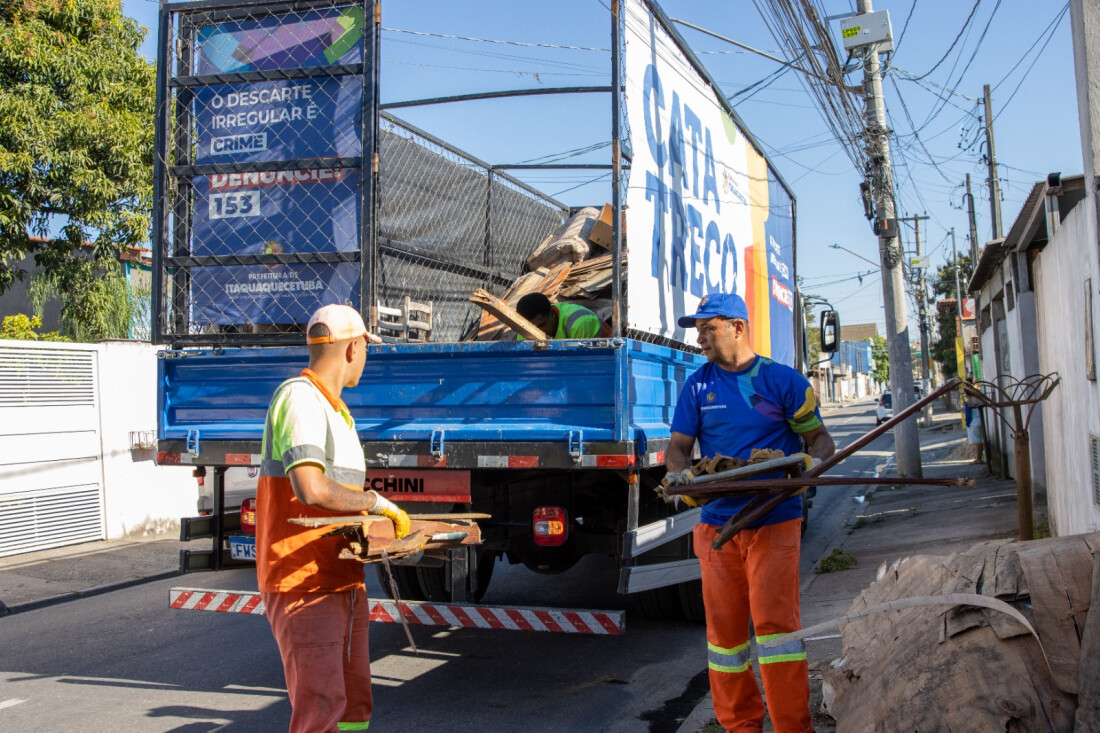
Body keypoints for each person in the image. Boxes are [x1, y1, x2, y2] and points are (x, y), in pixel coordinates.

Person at [665, 292, 835, 733]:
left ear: (737, 327)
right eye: (698, 330)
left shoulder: (783, 381)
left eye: (708, 328)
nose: (700, 337)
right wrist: (683, 478)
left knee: (778, 632)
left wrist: (809, 466)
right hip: (717, 527)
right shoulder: (697, 386)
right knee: (724, 640)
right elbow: (678, 448)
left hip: (773, 521)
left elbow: (820, 441)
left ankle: (792, 727)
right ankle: (740, 727)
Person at [256, 303, 416, 732]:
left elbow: (337, 502)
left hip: (340, 577)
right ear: (352, 348)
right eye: (366, 348)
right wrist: (376, 503)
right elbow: (311, 488)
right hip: (303, 580)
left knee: (353, 707)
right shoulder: (300, 398)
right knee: (320, 708)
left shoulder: (337, 412)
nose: (366, 357)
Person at [514, 292, 611, 339]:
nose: (538, 331)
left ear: (552, 313)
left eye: (542, 325)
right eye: (532, 327)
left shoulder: (579, 323)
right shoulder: (525, 331)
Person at [964, 378, 984, 463]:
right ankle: (980, 458)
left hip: (973, 423)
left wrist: (967, 423)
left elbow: (968, 415)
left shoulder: (968, 401)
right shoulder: (979, 399)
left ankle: (978, 458)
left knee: (976, 442)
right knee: (981, 441)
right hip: (981, 422)